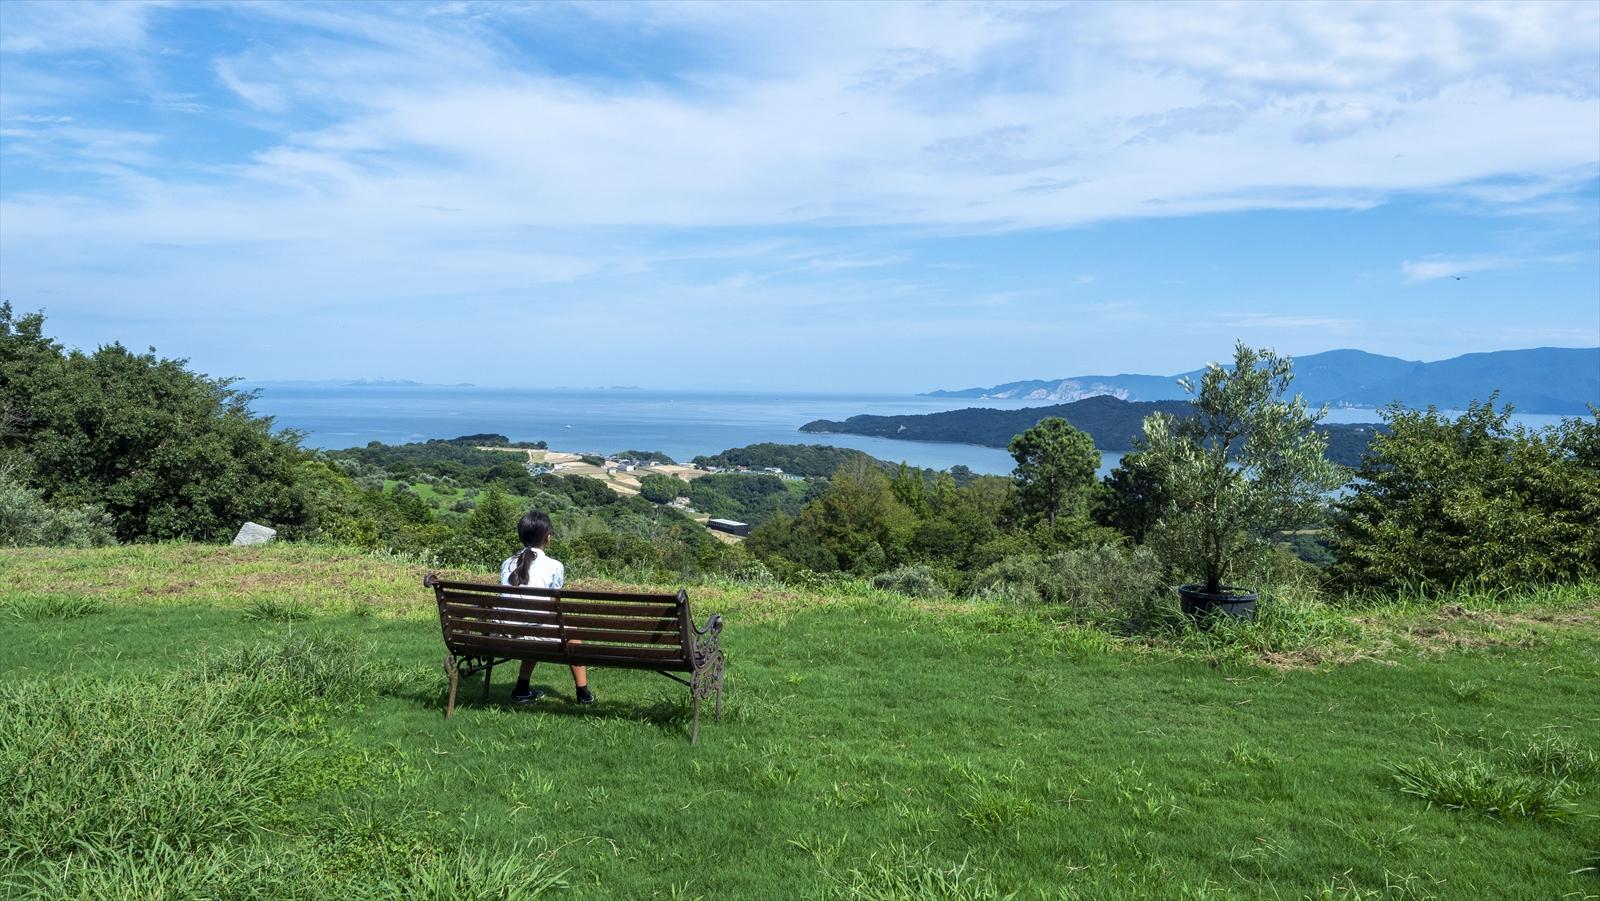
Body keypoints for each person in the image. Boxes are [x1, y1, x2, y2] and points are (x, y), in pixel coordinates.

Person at [501, 509, 595, 706]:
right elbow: (554, 604)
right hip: (531, 632)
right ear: (548, 537)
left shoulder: (507, 563)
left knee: (534, 626)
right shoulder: (554, 565)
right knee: (572, 634)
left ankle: (521, 689)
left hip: (505, 634)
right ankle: (583, 693)